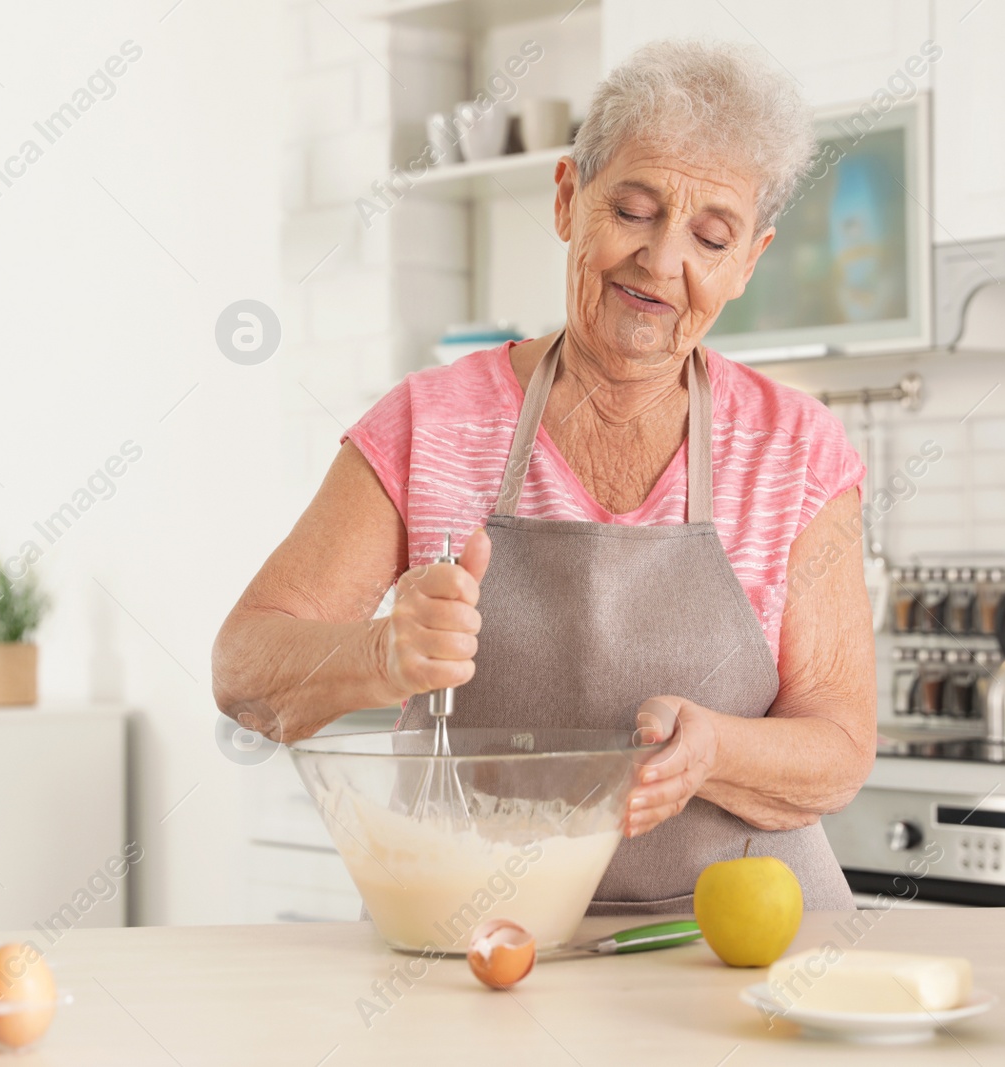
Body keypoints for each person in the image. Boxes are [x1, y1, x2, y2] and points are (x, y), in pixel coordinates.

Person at [214, 39, 876, 912]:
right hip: (484, 941)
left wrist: (718, 750)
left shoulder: (797, 451)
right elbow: (245, 669)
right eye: (635, 210)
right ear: (568, 200)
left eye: (710, 236)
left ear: (747, 262)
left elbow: (840, 741)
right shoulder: (429, 426)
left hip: (732, 957)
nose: (661, 259)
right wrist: (381, 652)